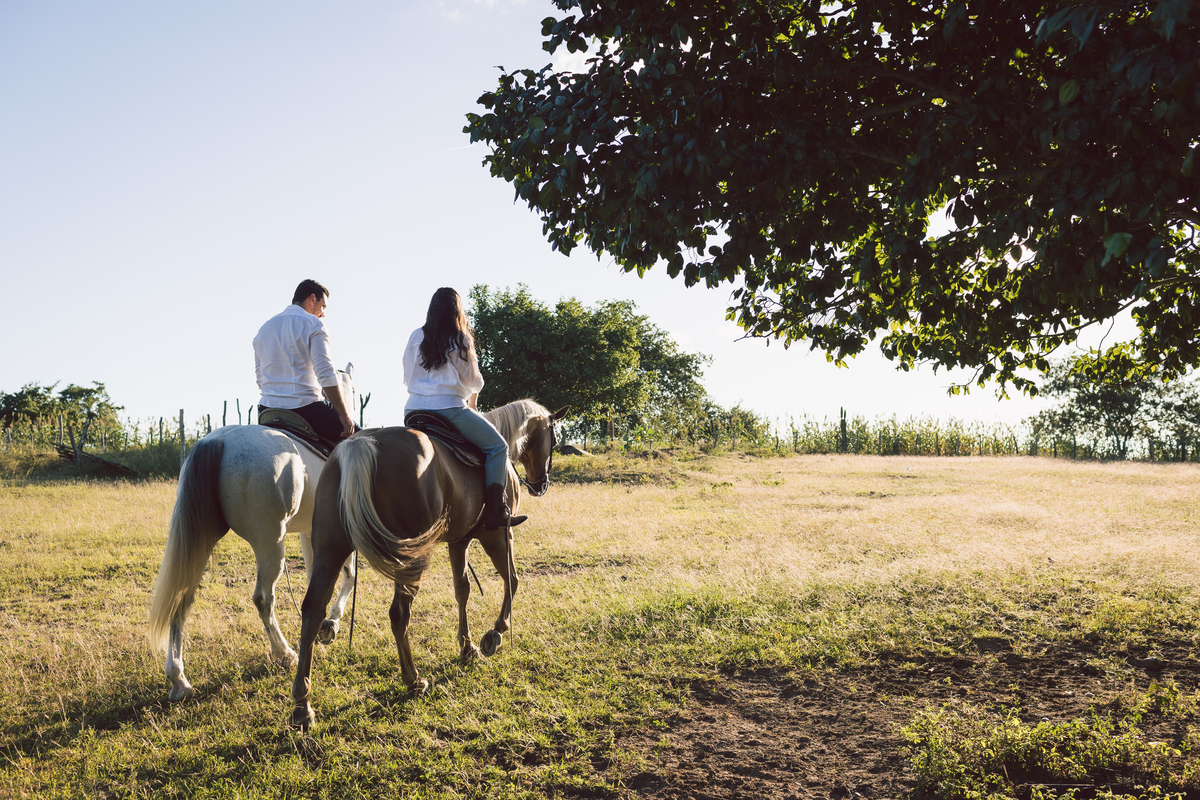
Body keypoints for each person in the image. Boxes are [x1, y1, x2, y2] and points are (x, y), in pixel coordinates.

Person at [403, 287, 525, 530]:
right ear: (457, 310)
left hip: (413, 411)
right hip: (449, 409)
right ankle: (495, 510)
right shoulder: (461, 338)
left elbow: (407, 376)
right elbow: (474, 381)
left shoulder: (416, 335)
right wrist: (472, 396)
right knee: (498, 447)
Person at [254, 279, 356, 443]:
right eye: (323, 306)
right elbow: (325, 373)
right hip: (306, 409)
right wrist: (344, 415)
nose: (323, 313)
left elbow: (261, 379)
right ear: (312, 298)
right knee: (362, 440)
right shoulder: (314, 324)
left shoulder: (264, 329)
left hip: (267, 410)